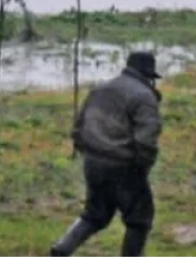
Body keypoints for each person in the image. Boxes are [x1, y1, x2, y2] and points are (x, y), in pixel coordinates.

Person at [50, 51, 163, 257]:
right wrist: (142, 166)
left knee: (94, 215)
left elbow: (78, 128)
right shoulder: (144, 97)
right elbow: (146, 141)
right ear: (149, 75)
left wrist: (90, 154)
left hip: (93, 162)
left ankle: (62, 248)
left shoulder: (100, 89)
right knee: (139, 219)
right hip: (123, 166)